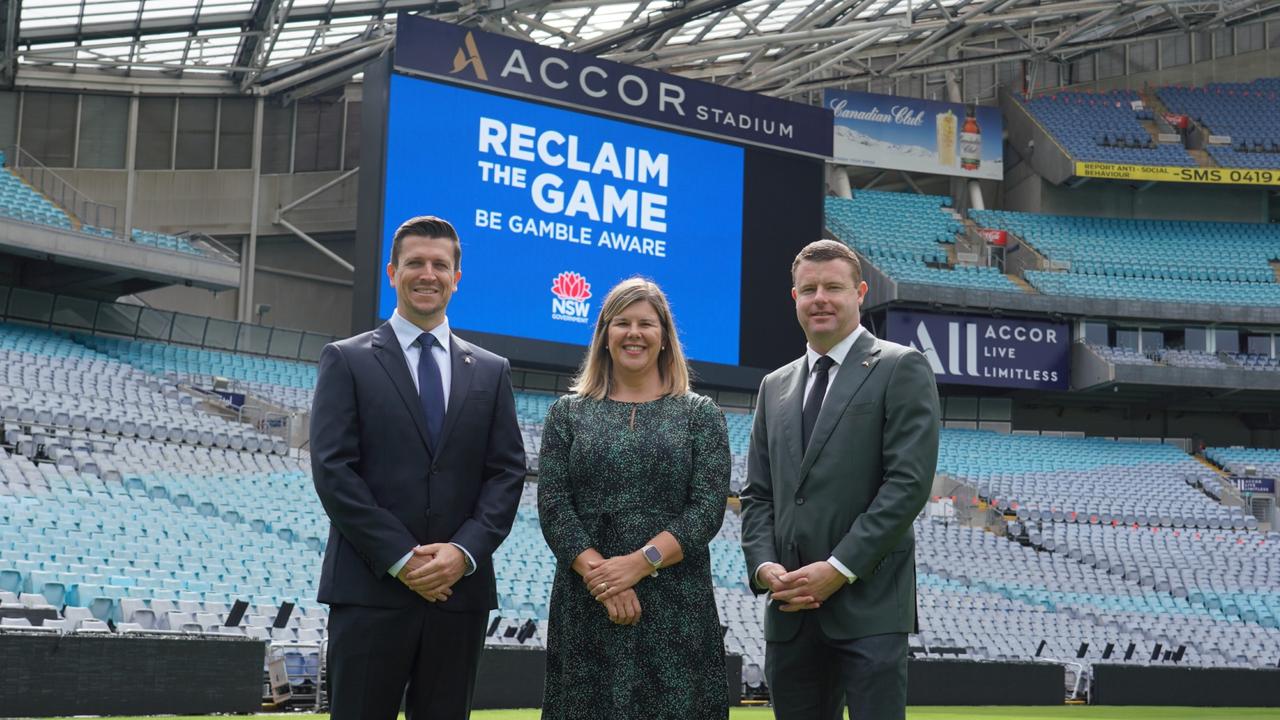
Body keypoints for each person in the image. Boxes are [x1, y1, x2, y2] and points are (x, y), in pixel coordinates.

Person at [310, 215, 526, 720]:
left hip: (459, 594)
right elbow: (333, 470)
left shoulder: (492, 372)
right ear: (392, 272)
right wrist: (402, 558)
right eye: (415, 263)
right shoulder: (347, 359)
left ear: (457, 277)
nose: (427, 274)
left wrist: (463, 551)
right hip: (370, 591)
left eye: (439, 264)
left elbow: (506, 473)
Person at [739, 239, 940, 720]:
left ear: (860, 293)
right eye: (809, 289)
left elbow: (907, 485)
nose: (820, 298)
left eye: (833, 287)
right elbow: (757, 494)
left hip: (868, 606)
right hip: (789, 609)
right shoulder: (774, 386)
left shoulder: (900, 366)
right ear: (795, 298)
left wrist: (839, 568)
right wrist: (764, 568)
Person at [537, 277, 731, 720]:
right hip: (586, 601)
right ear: (605, 335)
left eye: (646, 323)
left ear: (664, 337)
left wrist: (640, 563)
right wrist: (604, 579)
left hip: (675, 605)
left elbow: (705, 511)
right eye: (621, 322)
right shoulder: (567, 413)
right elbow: (553, 506)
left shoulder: (700, 415)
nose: (634, 333)